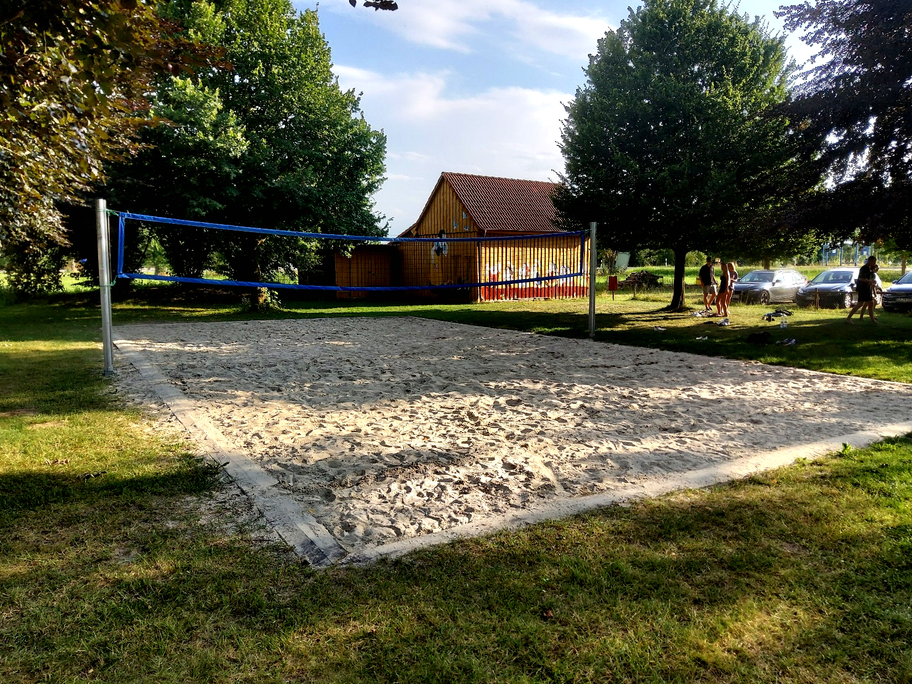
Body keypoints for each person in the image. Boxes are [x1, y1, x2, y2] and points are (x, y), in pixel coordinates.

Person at [846, 255, 879, 323]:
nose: (874, 263)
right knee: (861, 303)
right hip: (863, 288)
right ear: (870, 261)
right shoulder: (864, 269)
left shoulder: (870, 269)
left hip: (868, 288)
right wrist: (870, 281)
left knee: (870, 303)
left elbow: (872, 275)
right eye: (873, 261)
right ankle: (848, 318)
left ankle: (872, 319)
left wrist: (872, 282)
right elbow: (861, 279)